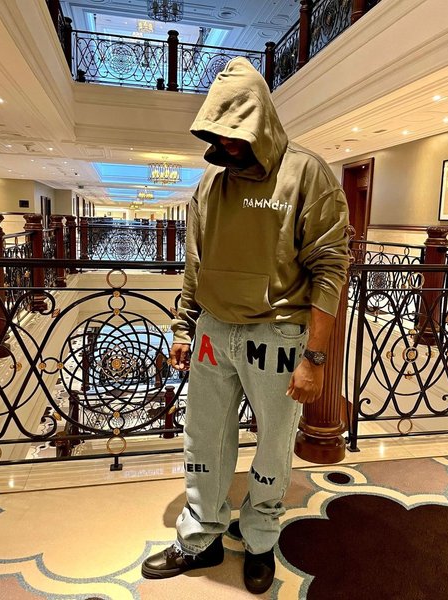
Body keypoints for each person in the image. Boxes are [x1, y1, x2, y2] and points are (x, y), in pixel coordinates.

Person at [142, 57, 349, 594]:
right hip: (213, 330)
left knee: (273, 446)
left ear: (261, 121)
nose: (226, 143)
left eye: (236, 132)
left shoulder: (307, 174)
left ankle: (259, 539)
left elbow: (330, 269)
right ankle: (200, 537)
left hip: (277, 335)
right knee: (203, 440)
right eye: (217, 133)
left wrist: (315, 358)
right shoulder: (211, 183)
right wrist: (183, 327)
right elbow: (196, 261)